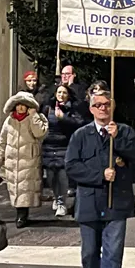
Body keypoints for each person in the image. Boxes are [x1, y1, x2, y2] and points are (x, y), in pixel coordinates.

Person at [66, 90, 135, 268]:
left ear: (113, 107)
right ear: (91, 109)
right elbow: (71, 166)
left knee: (113, 254)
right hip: (89, 203)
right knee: (89, 253)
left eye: (107, 104)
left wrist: (117, 139)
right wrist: (100, 175)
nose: (103, 108)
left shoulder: (125, 132)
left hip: (116, 202)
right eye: (98, 105)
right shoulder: (80, 135)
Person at [0, 92, 49, 228]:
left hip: (29, 160)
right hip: (12, 161)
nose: (21, 108)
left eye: (24, 105)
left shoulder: (36, 118)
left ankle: (22, 215)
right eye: (18, 105)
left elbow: (40, 133)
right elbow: (2, 142)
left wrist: (34, 116)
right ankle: (20, 214)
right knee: (15, 188)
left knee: (25, 189)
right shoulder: (9, 121)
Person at [40, 84, 85, 217]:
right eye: (59, 92)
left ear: (68, 95)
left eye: (64, 92)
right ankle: (56, 197)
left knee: (62, 176)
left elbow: (79, 123)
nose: (61, 95)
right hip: (49, 147)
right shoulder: (48, 108)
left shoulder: (72, 109)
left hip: (65, 146)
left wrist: (64, 118)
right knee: (50, 177)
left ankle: (61, 202)